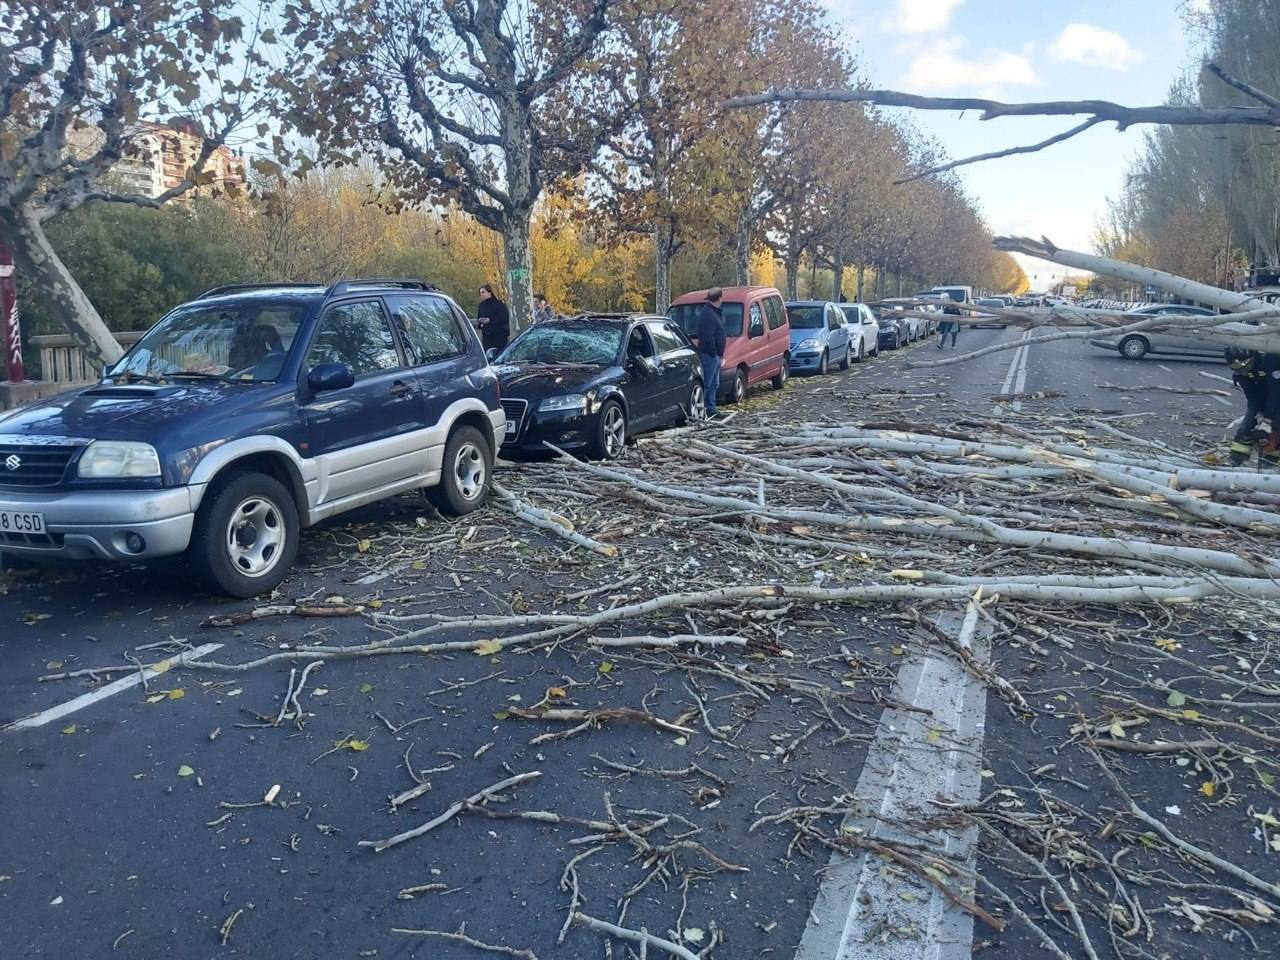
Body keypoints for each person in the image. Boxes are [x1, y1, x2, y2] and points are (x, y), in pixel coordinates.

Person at [1226, 347, 1280, 466]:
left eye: (1245, 367)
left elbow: (1276, 391)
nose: (1243, 371)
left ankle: (1269, 462)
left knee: (1276, 430)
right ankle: (1235, 459)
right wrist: (1259, 415)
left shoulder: (1271, 360)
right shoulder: (1242, 374)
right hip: (1262, 396)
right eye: (1238, 369)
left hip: (1277, 395)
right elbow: (1252, 396)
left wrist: (1268, 419)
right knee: (1246, 427)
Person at [696, 288, 726, 418]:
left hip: (714, 355)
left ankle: (711, 409)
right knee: (708, 384)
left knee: (714, 384)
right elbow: (708, 337)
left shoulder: (711, 313)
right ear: (719, 298)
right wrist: (714, 354)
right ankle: (704, 410)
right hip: (709, 355)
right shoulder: (708, 314)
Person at [476, 283, 511, 354]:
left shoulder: (499, 304)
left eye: (483, 292)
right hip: (486, 336)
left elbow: (504, 318)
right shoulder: (481, 305)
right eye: (480, 293)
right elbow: (479, 317)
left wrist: (490, 320)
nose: (481, 294)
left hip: (499, 336)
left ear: (489, 293)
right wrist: (480, 323)